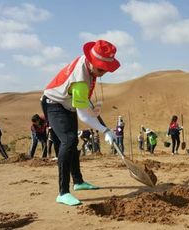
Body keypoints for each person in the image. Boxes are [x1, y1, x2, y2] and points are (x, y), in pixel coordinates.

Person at [41, 39, 119, 206]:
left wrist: (91, 107)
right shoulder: (81, 79)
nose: (102, 73)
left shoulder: (88, 65)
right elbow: (84, 116)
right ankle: (62, 192)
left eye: (106, 70)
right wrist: (105, 130)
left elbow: (82, 100)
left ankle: (78, 182)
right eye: (100, 69)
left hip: (67, 104)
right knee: (68, 141)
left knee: (72, 141)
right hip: (54, 103)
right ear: (91, 61)